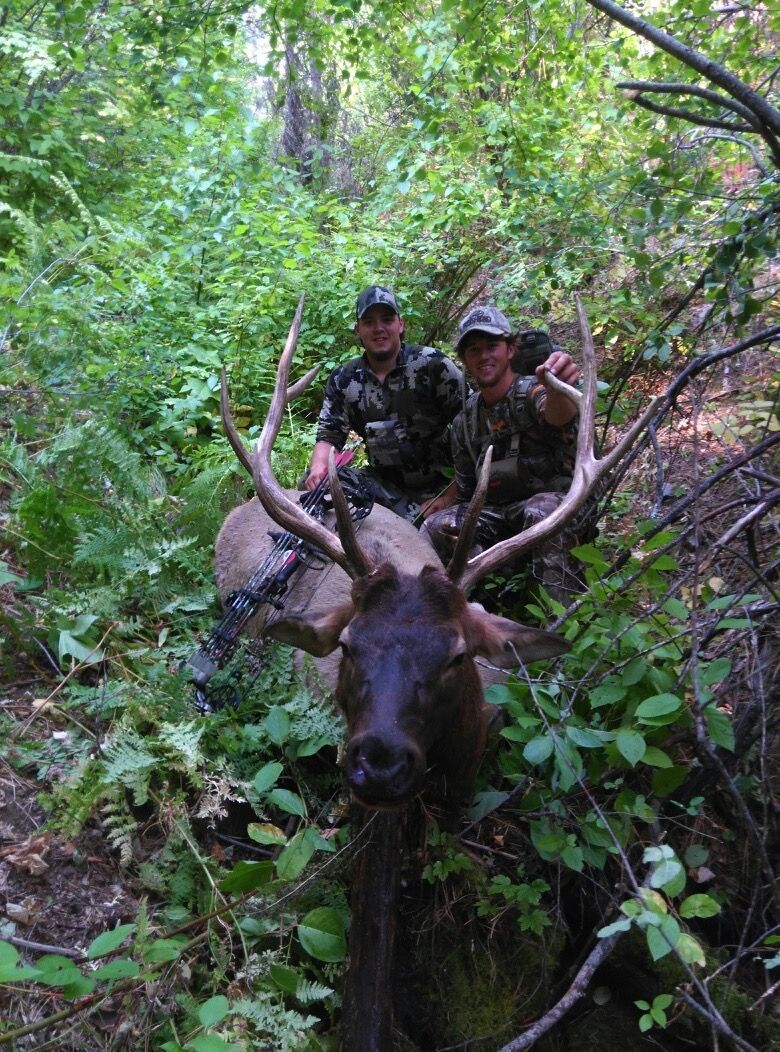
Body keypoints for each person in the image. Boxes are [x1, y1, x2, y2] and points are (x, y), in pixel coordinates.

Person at [422, 305, 597, 603]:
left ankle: (566, 616)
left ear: (511, 350)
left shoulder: (532, 391)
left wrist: (557, 389)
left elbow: (558, 415)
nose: (483, 356)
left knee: (541, 511)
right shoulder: (465, 421)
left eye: (492, 346)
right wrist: (444, 506)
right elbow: (466, 491)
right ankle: (469, 608)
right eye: (473, 350)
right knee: (436, 527)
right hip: (499, 515)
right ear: (464, 360)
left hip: (555, 505)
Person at [306, 285, 463, 521]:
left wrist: (450, 495)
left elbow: (474, 426)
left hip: (439, 486)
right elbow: (329, 435)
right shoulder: (344, 379)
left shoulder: (432, 365)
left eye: (386, 320)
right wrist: (319, 468)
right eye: (369, 322)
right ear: (358, 330)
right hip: (382, 489)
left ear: (400, 324)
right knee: (317, 485)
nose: (378, 328)